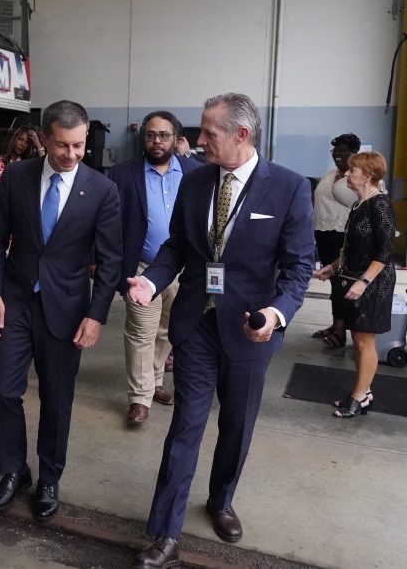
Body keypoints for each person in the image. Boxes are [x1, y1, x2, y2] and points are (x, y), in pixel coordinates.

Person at [127, 93, 313, 566]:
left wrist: (275, 315)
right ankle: (165, 534)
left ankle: (221, 499)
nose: (198, 140)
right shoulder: (194, 183)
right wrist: (150, 281)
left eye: (209, 133)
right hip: (197, 323)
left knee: (236, 425)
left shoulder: (289, 188)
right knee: (186, 426)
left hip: (251, 329)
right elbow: (175, 248)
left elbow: (297, 268)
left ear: (241, 135)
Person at [0, 100, 122, 525]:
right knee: (5, 390)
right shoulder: (16, 177)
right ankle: (13, 471)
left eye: (79, 146)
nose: (72, 154)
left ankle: (49, 478)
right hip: (17, 301)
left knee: (56, 399)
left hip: (67, 308)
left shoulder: (101, 190)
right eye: (62, 145)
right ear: (43, 139)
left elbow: (112, 261)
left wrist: (96, 315)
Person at [110, 111, 202, 426]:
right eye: (150, 135)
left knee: (168, 330)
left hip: (182, 267)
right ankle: (139, 398)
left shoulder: (195, 172)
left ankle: (156, 381)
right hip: (141, 267)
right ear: (143, 138)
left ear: (176, 138)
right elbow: (111, 222)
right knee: (140, 332)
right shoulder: (123, 174)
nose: (156, 141)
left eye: (163, 135)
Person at [313, 151, 395, 418]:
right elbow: (351, 246)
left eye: (353, 171)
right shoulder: (360, 204)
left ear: (368, 176)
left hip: (373, 281)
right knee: (358, 338)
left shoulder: (380, 205)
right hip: (356, 277)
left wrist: (363, 282)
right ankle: (363, 392)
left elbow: (384, 252)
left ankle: (359, 396)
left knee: (363, 340)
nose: (348, 174)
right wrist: (334, 267)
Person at [311, 133, 361, 348]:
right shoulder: (330, 174)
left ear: (354, 153)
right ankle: (335, 324)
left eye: (343, 150)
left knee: (342, 284)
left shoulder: (359, 177)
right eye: (335, 150)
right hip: (324, 234)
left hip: (344, 235)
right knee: (333, 283)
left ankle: (341, 331)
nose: (338, 154)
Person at [0, 125, 45, 198]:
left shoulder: (27, 165)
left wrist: (38, 145)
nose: (22, 144)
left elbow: (45, 167)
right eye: (20, 139)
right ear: (13, 139)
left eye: (26, 142)